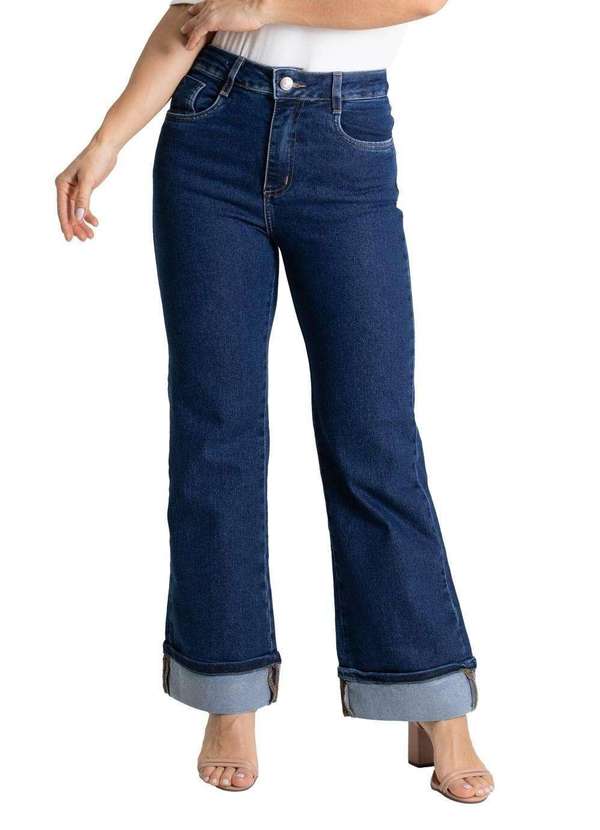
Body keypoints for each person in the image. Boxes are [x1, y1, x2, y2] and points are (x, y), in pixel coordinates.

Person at [55, 1, 494, 803]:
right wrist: (105, 140)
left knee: (374, 435)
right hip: (209, 128)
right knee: (214, 430)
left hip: (345, 135)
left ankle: (430, 692)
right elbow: (191, 18)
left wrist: (265, 7)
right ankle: (228, 694)